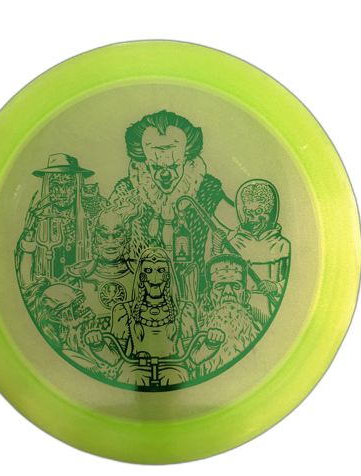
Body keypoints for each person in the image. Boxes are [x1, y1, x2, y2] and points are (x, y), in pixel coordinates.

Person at [109, 110, 236, 296]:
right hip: (141, 295)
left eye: (174, 165)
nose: (165, 175)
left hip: (194, 294)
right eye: (156, 167)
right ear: (144, 162)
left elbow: (239, 224)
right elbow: (103, 230)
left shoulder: (206, 189)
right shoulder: (127, 191)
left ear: (186, 158)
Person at [84, 247, 224, 387]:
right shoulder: (123, 310)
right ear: (140, 276)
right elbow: (115, 358)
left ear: (168, 275)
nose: (155, 278)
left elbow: (193, 357)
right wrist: (98, 345)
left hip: (173, 368)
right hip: (134, 369)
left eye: (161, 270)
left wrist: (211, 343)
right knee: (129, 379)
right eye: (148, 271)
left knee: (178, 378)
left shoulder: (184, 309)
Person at [15, 153, 107, 287]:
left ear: (77, 185)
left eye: (68, 185)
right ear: (48, 186)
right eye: (56, 184)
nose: (62, 191)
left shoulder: (96, 213)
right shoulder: (36, 218)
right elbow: (24, 278)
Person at [59, 207, 137, 332]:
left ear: (126, 238)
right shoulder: (75, 276)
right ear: (95, 238)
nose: (110, 241)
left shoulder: (144, 273)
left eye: (117, 234)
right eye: (104, 235)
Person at [226, 179, 290, 324]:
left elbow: (294, 281)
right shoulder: (234, 244)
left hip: (271, 312)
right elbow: (220, 276)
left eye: (258, 212)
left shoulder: (282, 246)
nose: (252, 218)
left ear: (269, 211)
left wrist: (275, 287)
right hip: (239, 313)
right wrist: (217, 248)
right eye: (249, 212)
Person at [197, 254, 261, 377]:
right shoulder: (197, 338)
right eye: (220, 286)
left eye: (235, 286)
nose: (228, 292)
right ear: (208, 296)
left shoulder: (259, 335)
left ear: (246, 295)